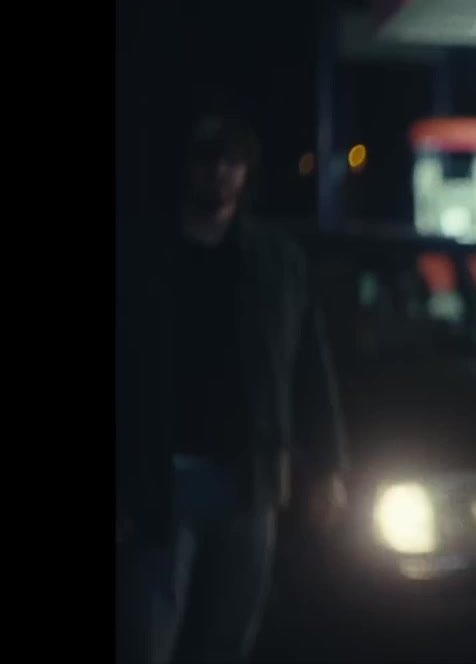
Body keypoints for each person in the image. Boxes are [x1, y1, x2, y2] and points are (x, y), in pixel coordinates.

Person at [116, 112, 349, 663]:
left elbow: (309, 368)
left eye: (232, 160)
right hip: (161, 476)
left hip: (249, 475)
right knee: (147, 636)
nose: (219, 172)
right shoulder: (141, 258)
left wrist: (329, 466)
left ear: (246, 170)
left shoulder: (277, 261)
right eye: (207, 159)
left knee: (229, 635)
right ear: (185, 167)